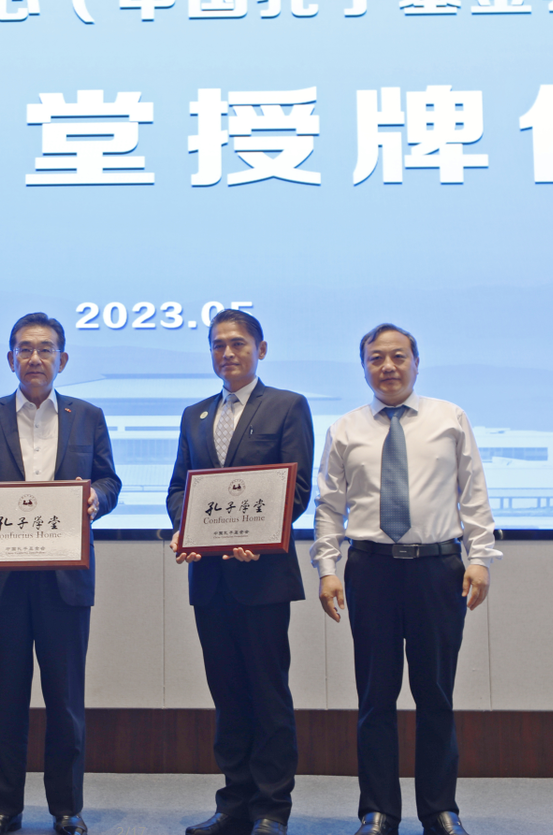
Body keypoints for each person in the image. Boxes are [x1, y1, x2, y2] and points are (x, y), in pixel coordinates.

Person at [311, 324, 500, 835]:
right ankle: (378, 811)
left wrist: (480, 558)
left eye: (398, 356)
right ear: (364, 367)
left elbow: (474, 493)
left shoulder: (449, 418)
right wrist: (327, 569)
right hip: (370, 569)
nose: (388, 366)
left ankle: (440, 809)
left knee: (435, 694)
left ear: (417, 363)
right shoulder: (345, 429)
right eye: (376, 358)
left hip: (438, 569)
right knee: (375, 696)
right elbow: (328, 507)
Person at [0, 312, 121, 835]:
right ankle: (4, 808)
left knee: (65, 701)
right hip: (2, 579)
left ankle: (67, 808)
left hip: (65, 580)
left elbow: (110, 481)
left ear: (62, 359)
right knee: (6, 699)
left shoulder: (87, 415)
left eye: (45, 349)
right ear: (10, 359)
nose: (35, 358)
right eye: (24, 349)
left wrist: (96, 498)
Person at [166, 309, 315, 835]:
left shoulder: (288, 406)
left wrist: (258, 534)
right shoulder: (195, 414)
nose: (227, 353)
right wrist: (184, 528)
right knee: (227, 695)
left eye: (238, 343)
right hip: (209, 580)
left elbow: (296, 489)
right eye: (217, 345)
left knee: (268, 694)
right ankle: (234, 803)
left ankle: (271, 807)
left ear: (261, 349)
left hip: (264, 578)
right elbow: (180, 488)